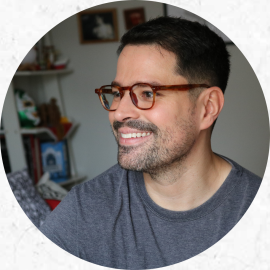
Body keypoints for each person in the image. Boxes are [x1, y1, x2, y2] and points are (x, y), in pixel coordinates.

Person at [40, 16, 262, 269]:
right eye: (117, 94)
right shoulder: (85, 209)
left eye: (147, 93)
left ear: (207, 108)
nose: (119, 113)